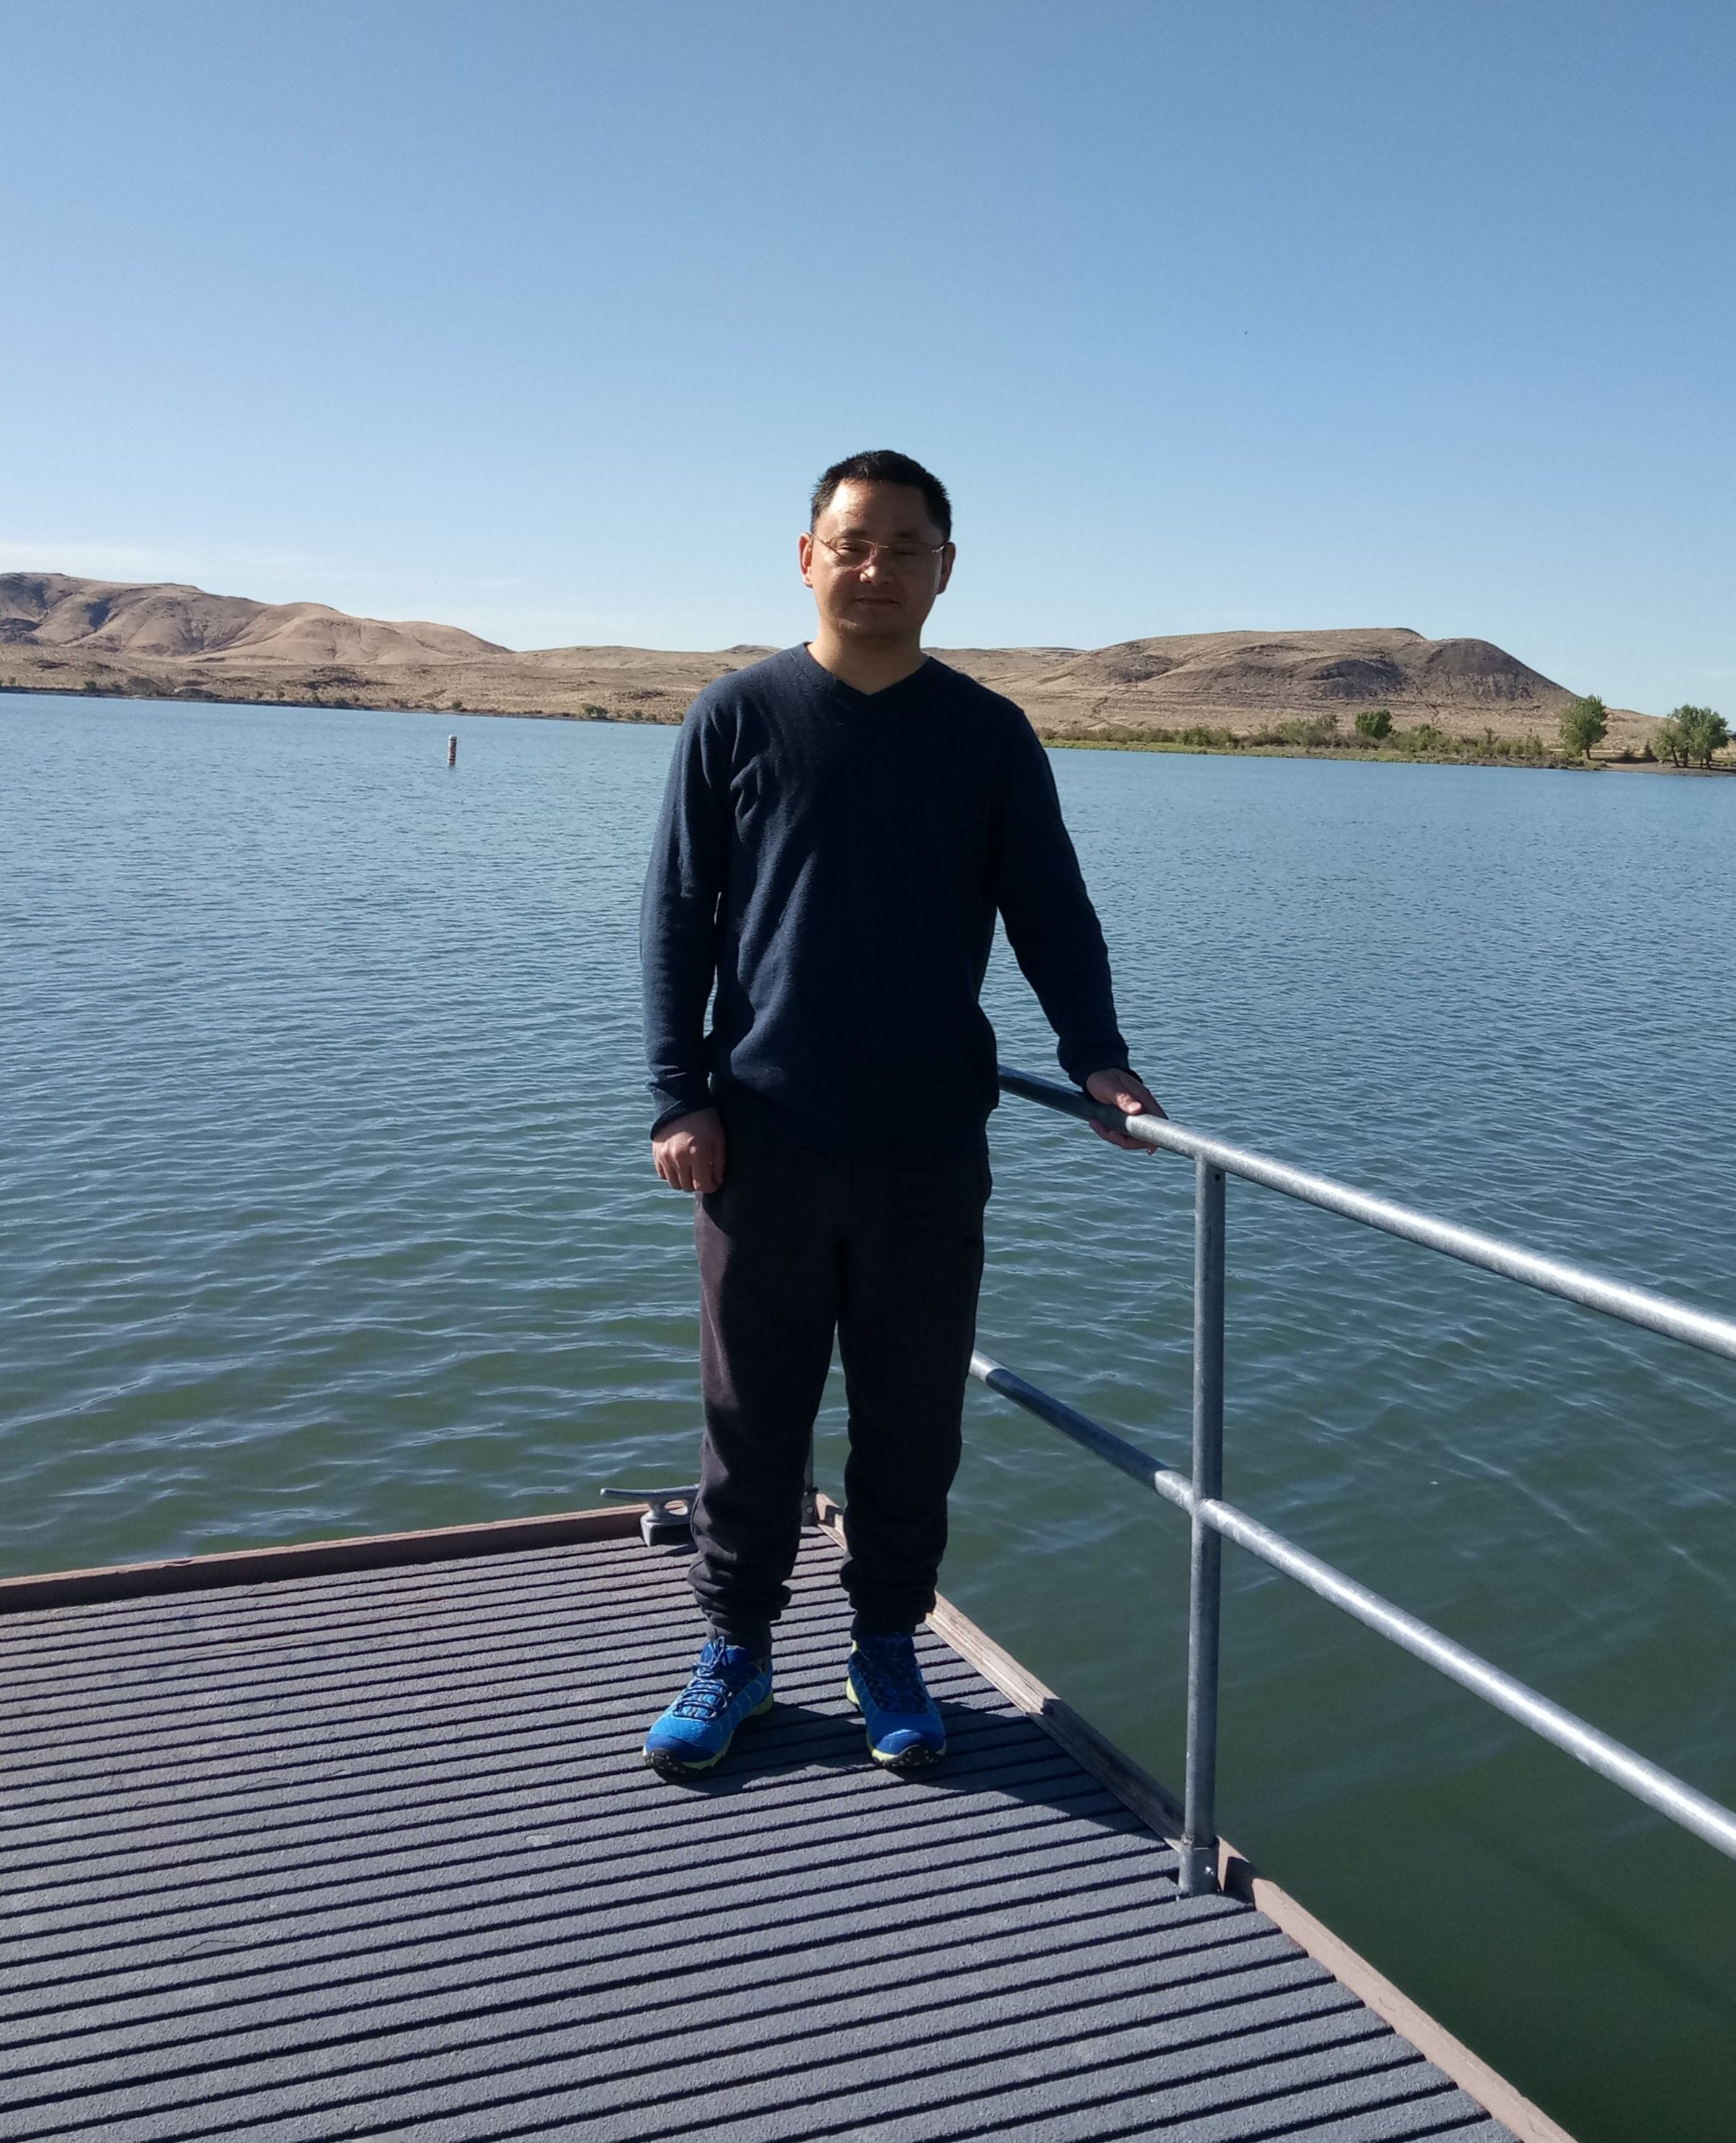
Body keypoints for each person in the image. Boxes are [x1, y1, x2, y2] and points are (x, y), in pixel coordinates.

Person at [638, 449, 1161, 1778]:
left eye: (905, 549)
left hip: (929, 1142)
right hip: (761, 1136)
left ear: (945, 569)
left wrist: (1097, 1058)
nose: (876, 570)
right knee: (752, 1415)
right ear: (806, 557)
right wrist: (678, 1093)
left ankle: (885, 1642)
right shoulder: (737, 717)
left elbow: (1052, 913)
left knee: (912, 1419)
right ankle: (737, 1646)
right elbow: (676, 917)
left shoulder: (987, 735)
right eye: (852, 544)